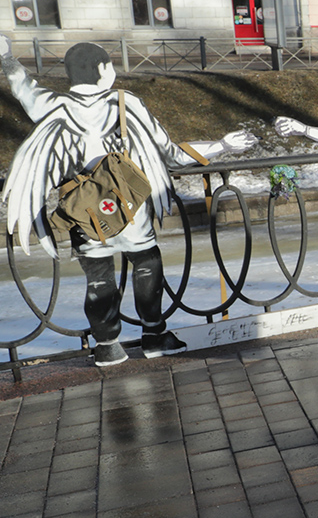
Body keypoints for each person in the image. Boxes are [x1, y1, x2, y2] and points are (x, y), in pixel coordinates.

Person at [0, 38, 249, 365]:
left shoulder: (52, 105)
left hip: (84, 212)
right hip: (131, 209)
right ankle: (155, 335)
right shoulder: (127, 103)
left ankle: (107, 346)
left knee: (99, 277)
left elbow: (22, 87)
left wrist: (7, 57)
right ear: (103, 70)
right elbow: (171, 153)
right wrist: (221, 145)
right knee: (147, 262)